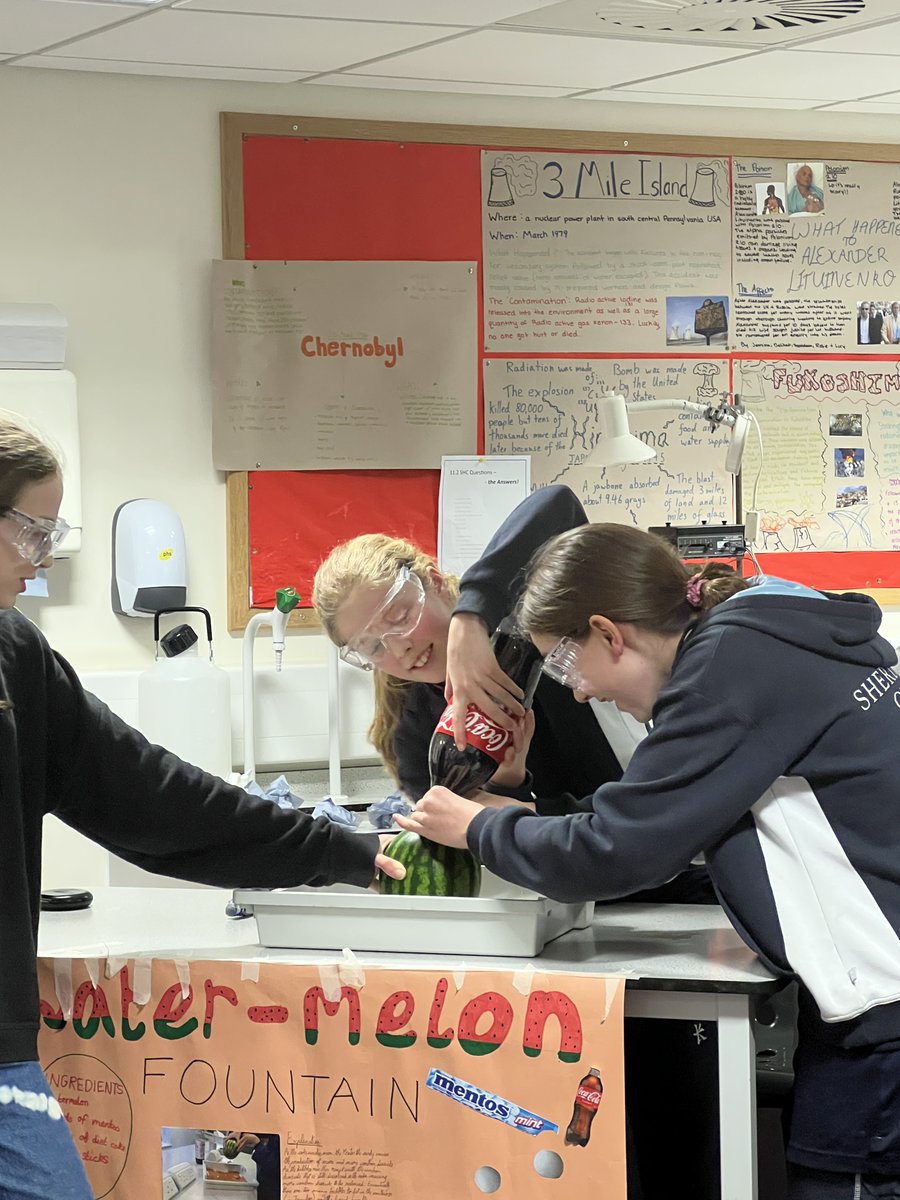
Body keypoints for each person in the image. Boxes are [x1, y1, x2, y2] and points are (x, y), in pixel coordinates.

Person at [398, 522, 900, 1199]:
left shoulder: (726, 671)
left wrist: (482, 827)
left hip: (883, 1018)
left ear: (610, 632)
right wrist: (517, 799)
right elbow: (660, 825)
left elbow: (619, 849)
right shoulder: (772, 622)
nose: (575, 692)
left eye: (568, 665)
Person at [0, 416, 405, 1200]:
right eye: (32, 533)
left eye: (54, 535)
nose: (42, 561)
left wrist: (339, 852)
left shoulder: (16, 657)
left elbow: (156, 799)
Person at [225, 1132, 280, 1200]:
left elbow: (273, 1166)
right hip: (265, 1184)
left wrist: (257, 1144)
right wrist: (240, 1132)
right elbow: (268, 1131)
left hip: (273, 1189)